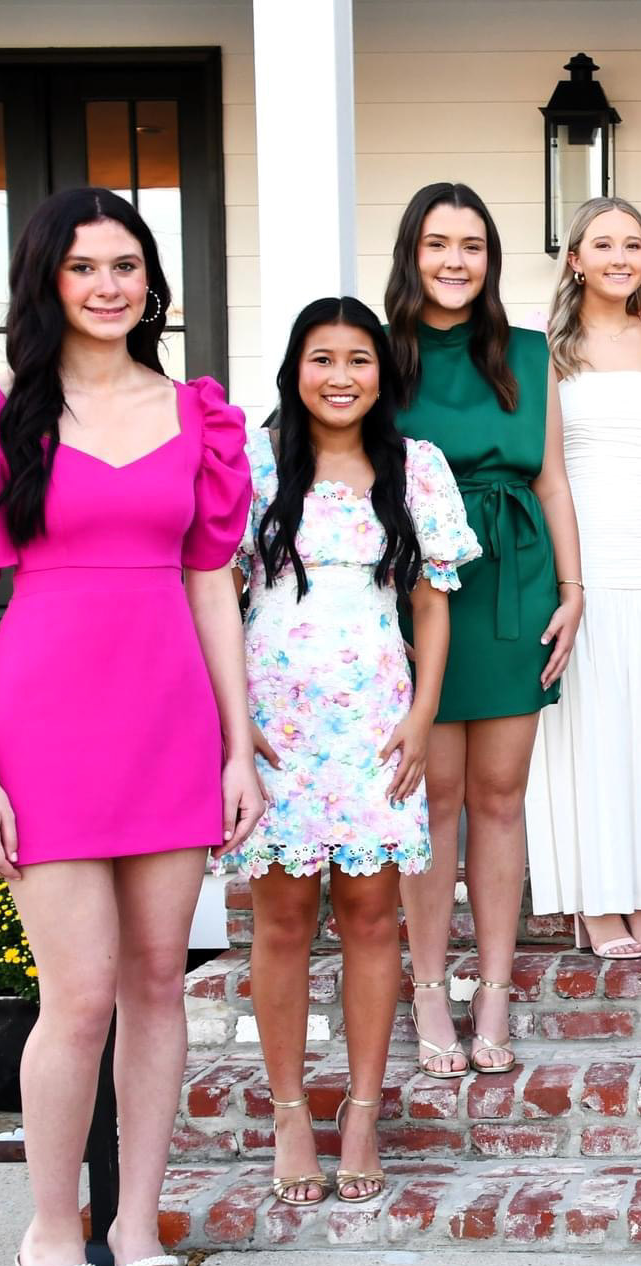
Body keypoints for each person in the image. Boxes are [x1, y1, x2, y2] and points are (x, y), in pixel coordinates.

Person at [0, 187, 257, 1266]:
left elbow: (211, 582)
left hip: (168, 721)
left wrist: (237, 741)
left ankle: (138, 1229)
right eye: (85, 267)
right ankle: (52, 1236)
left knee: (161, 983)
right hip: (43, 724)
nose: (111, 285)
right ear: (46, 283)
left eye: (128, 265)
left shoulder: (195, 415)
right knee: (81, 995)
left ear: (152, 283)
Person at [225, 297, 478, 1206]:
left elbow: (434, 604)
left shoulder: (415, 468)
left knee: (375, 915)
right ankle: (292, 1112)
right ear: (295, 368)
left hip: (376, 718)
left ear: (384, 372)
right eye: (322, 358)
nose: (341, 376)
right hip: (275, 724)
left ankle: (363, 1111)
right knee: (282, 919)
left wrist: (422, 717)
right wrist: (230, 724)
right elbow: (212, 593)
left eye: (359, 360)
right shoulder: (253, 465)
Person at [387, 182, 585, 1079]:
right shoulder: (379, 354)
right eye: (438, 244)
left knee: (501, 797)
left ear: (490, 259)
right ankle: (429, 990)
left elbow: (548, 481)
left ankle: (496, 990)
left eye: (472, 244)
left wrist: (573, 588)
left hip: (514, 576)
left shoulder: (531, 353)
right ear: (412, 253)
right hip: (416, 584)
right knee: (431, 801)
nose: (455, 261)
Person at [524, 198, 641, 957]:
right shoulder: (543, 345)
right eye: (602, 244)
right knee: (592, 723)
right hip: (582, 553)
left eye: (632, 244)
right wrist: (563, 572)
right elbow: (545, 466)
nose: (619, 256)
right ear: (574, 259)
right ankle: (594, 902)